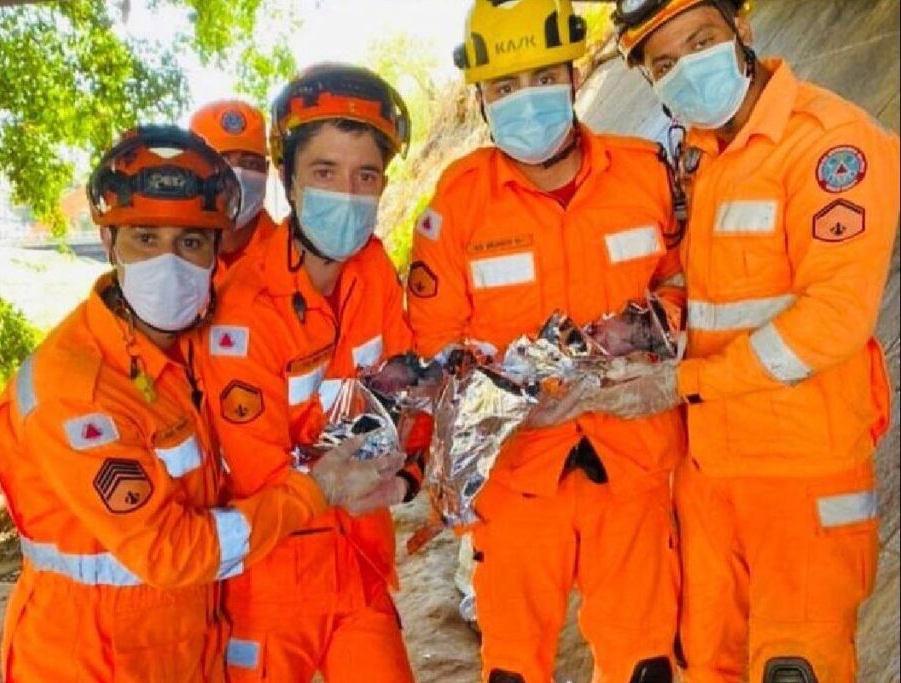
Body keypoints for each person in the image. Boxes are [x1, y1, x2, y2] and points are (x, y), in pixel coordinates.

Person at [0, 125, 399, 682]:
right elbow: (171, 553)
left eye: (192, 241)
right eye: (145, 238)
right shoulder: (77, 389)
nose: (170, 261)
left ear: (215, 254)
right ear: (109, 242)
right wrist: (316, 489)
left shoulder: (181, 351)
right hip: (86, 658)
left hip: (182, 645)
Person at [592, 2, 901, 681]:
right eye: (665, 64)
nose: (688, 69)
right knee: (709, 664)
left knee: (796, 667)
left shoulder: (830, 144)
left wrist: (682, 382)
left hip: (803, 476)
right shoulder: (703, 159)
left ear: (744, 31)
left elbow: (833, 320)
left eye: (701, 41)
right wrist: (650, 326)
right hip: (710, 477)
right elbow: (711, 296)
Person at [406, 1, 688, 681]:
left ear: (572, 73)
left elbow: (686, 285)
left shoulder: (646, 173)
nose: (525, 100)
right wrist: (509, 400)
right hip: (518, 476)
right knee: (512, 668)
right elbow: (434, 350)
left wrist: (648, 338)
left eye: (540, 78)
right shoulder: (458, 204)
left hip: (635, 464)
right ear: (480, 99)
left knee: (645, 664)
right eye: (505, 87)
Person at [194, 64, 421, 683]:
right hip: (271, 590)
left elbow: (407, 395)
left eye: (365, 175)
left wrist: (408, 479)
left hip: (361, 565)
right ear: (289, 180)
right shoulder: (242, 312)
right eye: (325, 172)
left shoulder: (373, 269)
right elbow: (259, 478)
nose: (347, 193)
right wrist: (351, 472)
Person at [190, 99, 279, 272]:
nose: (237, 174)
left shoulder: (292, 255)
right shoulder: (174, 253)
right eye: (221, 161)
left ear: (266, 171)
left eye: (250, 163)